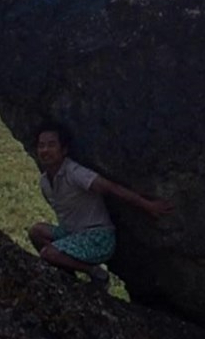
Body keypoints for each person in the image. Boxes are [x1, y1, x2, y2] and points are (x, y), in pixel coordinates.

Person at [29, 121, 173, 286]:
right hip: (72, 234)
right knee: (36, 231)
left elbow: (112, 188)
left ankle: (96, 273)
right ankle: (68, 277)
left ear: (64, 150)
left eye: (51, 145)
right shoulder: (45, 182)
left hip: (97, 238)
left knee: (49, 253)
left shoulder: (76, 173)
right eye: (41, 146)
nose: (45, 150)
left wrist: (148, 205)